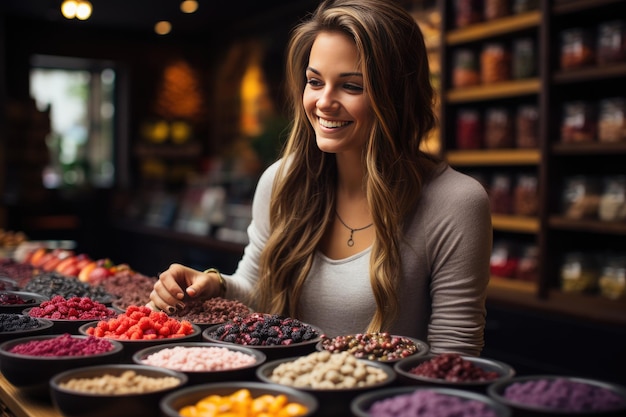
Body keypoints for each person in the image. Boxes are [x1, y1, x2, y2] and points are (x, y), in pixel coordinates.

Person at [149, 0, 492, 356]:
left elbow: (454, 354)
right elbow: (258, 288)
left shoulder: (455, 201)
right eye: (315, 81)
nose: (324, 102)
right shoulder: (281, 180)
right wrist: (213, 284)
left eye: (352, 86)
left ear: (398, 97)